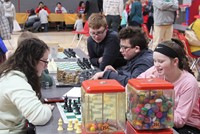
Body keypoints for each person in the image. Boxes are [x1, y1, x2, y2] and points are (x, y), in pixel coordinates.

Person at [138, 39, 200, 134]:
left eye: (161, 61)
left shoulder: (189, 83)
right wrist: (146, 85)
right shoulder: (155, 71)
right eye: (154, 61)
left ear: (175, 61)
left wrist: (155, 95)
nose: (156, 65)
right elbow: (133, 85)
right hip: (157, 118)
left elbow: (179, 121)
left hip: (187, 126)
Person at [0, 38, 53, 133]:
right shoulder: (15, 81)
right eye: (44, 61)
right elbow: (39, 117)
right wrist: (46, 108)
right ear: (31, 60)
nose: (46, 66)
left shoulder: (11, 72)